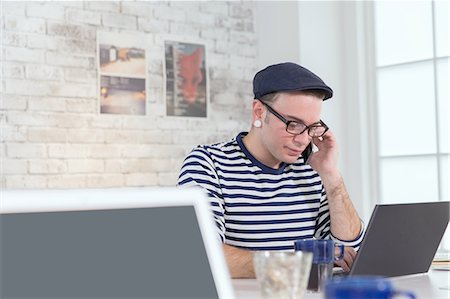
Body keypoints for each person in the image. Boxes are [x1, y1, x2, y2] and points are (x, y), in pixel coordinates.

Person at [178, 62, 364, 278]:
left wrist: (331, 176)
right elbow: (202, 254)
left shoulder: (311, 170)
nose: (303, 140)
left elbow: (350, 253)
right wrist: (300, 262)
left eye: (312, 127)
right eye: (293, 124)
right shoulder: (207, 164)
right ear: (259, 112)